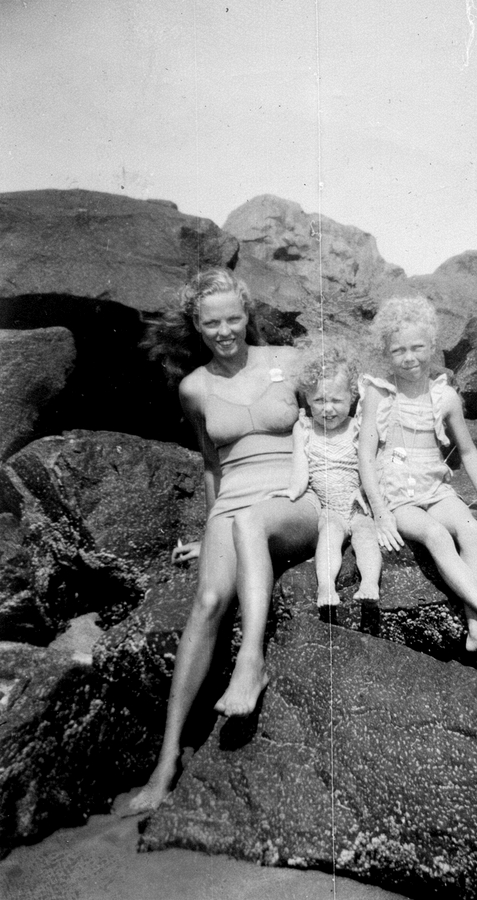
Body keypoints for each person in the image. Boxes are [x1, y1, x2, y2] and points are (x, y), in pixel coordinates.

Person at [126, 267, 320, 814]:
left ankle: (250, 662)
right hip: (234, 504)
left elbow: (334, 423)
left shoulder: (289, 361)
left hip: (295, 496)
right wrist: (213, 531)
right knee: (208, 600)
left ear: (247, 314)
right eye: (212, 323)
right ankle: (166, 762)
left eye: (234, 318)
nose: (225, 331)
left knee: (252, 520)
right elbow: (212, 464)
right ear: (197, 324)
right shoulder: (194, 387)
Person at [357, 295, 477, 655]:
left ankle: (475, 629)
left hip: (435, 486)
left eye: (417, 347)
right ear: (386, 352)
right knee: (435, 534)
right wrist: (380, 511)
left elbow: (468, 451)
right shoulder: (378, 393)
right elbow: (366, 456)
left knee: (470, 528)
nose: (409, 357)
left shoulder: (444, 396)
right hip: (396, 492)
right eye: (398, 350)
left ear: (432, 346)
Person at [271, 340, 381, 607]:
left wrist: (365, 490)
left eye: (336, 400)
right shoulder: (305, 428)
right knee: (328, 535)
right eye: (319, 400)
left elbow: (373, 465)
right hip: (329, 508)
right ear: (307, 398)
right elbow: (300, 468)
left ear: (352, 397)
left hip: (358, 506)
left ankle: (369, 583)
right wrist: (293, 491)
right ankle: (326, 587)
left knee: (366, 534)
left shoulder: (358, 427)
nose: (327, 408)